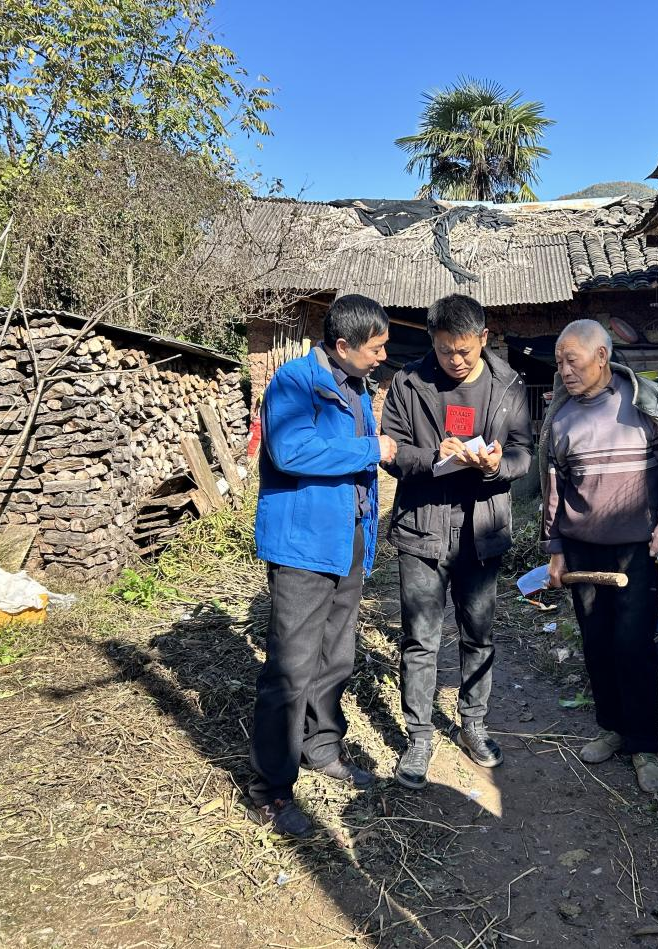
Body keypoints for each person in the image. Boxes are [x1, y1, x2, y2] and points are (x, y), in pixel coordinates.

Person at [541, 319, 658, 794]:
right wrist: (555, 549)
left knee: (633, 644)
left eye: (571, 360)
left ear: (601, 356)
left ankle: (644, 744)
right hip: (581, 548)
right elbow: (554, 490)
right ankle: (612, 728)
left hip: (636, 549)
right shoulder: (561, 418)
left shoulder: (645, 404)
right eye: (559, 362)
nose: (564, 370)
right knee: (596, 642)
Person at [246, 294, 399, 837]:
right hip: (303, 545)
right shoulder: (295, 382)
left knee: (336, 654)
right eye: (375, 348)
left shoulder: (356, 386)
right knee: (291, 667)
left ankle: (321, 747)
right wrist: (371, 450)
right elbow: (291, 452)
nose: (383, 356)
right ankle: (270, 790)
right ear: (342, 345)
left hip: (347, 538)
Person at [380, 294, 533, 789]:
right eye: (445, 350)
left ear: (483, 338)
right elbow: (390, 451)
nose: (456, 360)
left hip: (481, 530)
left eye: (464, 350)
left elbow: (524, 453)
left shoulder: (508, 384)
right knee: (420, 638)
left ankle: (473, 724)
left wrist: (498, 465)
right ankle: (419, 737)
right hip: (422, 527)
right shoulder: (409, 383)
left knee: (478, 633)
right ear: (433, 341)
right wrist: (432, 456)